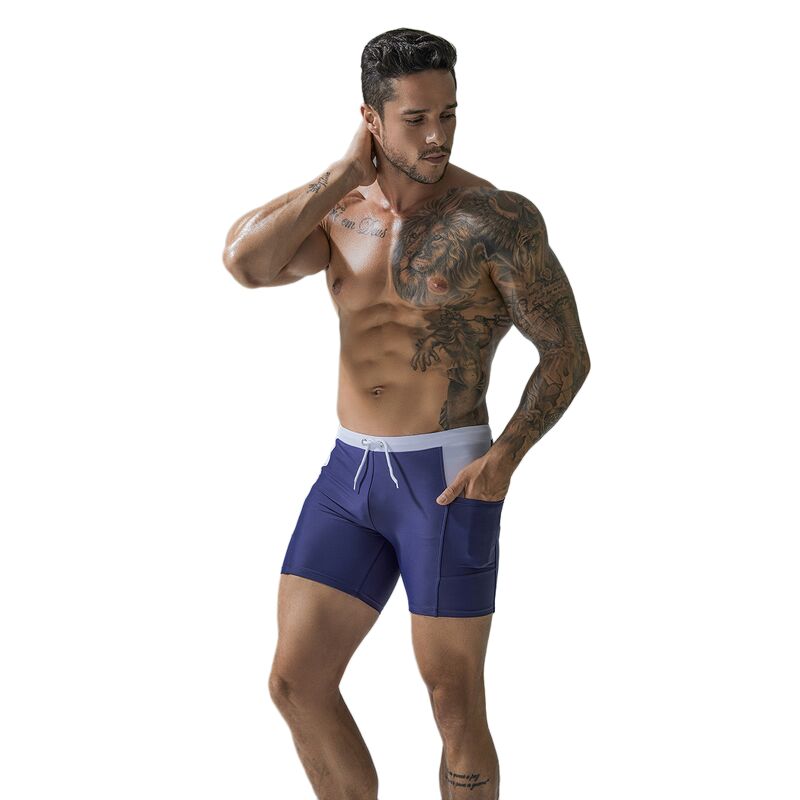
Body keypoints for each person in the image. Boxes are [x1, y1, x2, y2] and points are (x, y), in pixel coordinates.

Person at [222, 27, 590, 800]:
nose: (436, 136)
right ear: (371, 120)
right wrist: (339, 174)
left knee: (453, 700)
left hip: (446, 477)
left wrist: (506, 456)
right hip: (349, 474)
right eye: (416, 119)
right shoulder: (340, 211)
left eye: (448, 114)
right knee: (295, 681)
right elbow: (245, 264)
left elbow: (566, 352)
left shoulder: (495, 218)